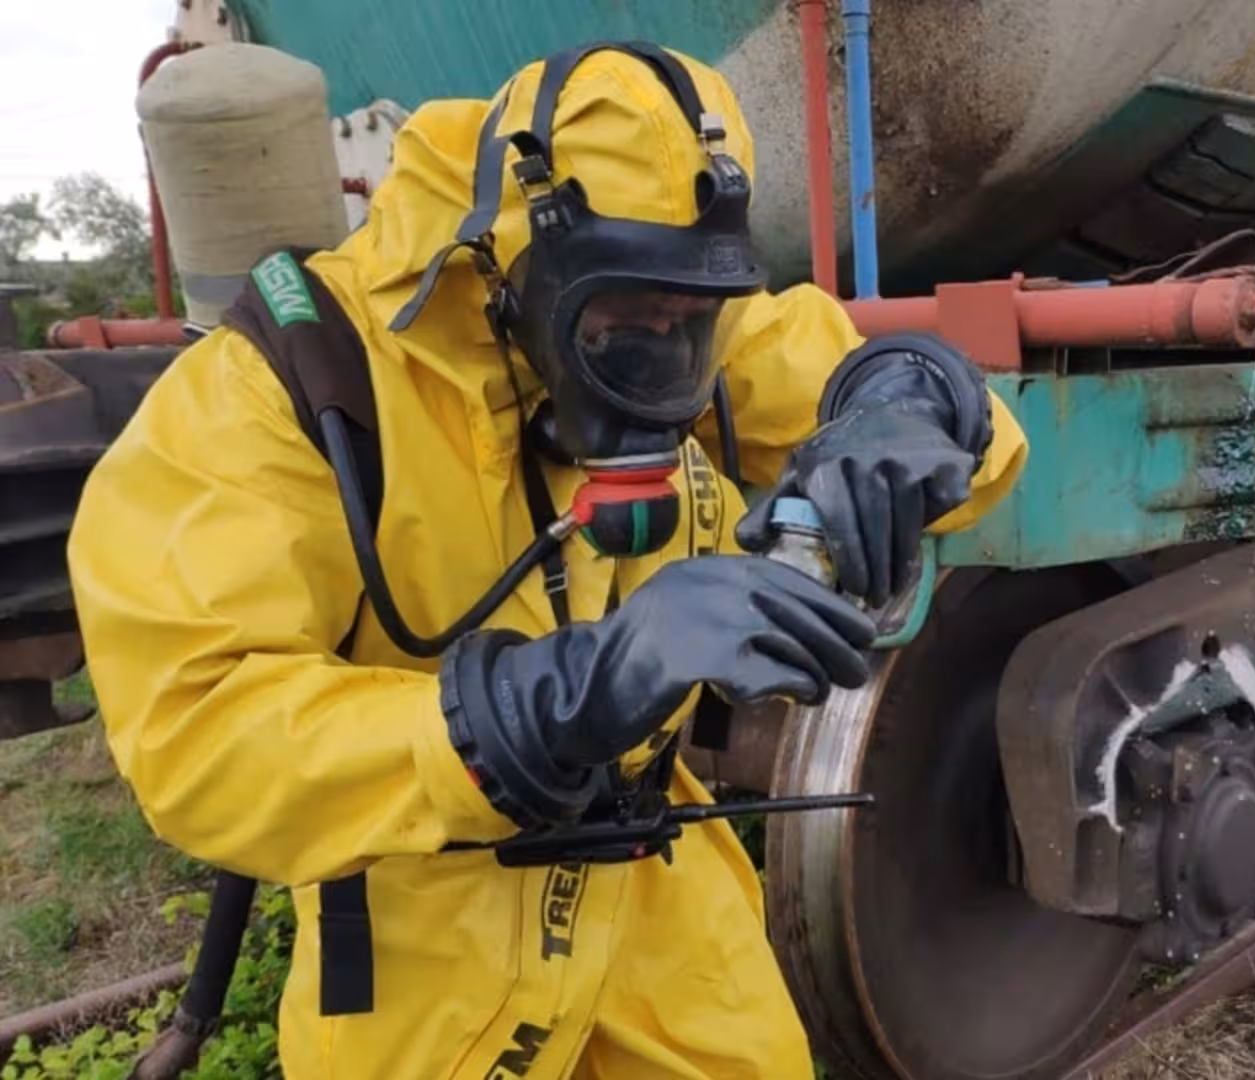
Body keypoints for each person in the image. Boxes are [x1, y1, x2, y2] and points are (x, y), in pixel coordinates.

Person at [67, 42, 1027, 1080]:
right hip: (426, 941)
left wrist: (903, 411)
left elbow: (928, 416)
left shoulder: (665, 296)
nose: (661, 357)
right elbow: (199, 733)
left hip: (659, 904)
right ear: (512, 272)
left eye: (688, 318)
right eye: (620, 324)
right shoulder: (283, 392)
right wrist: (559, 701)